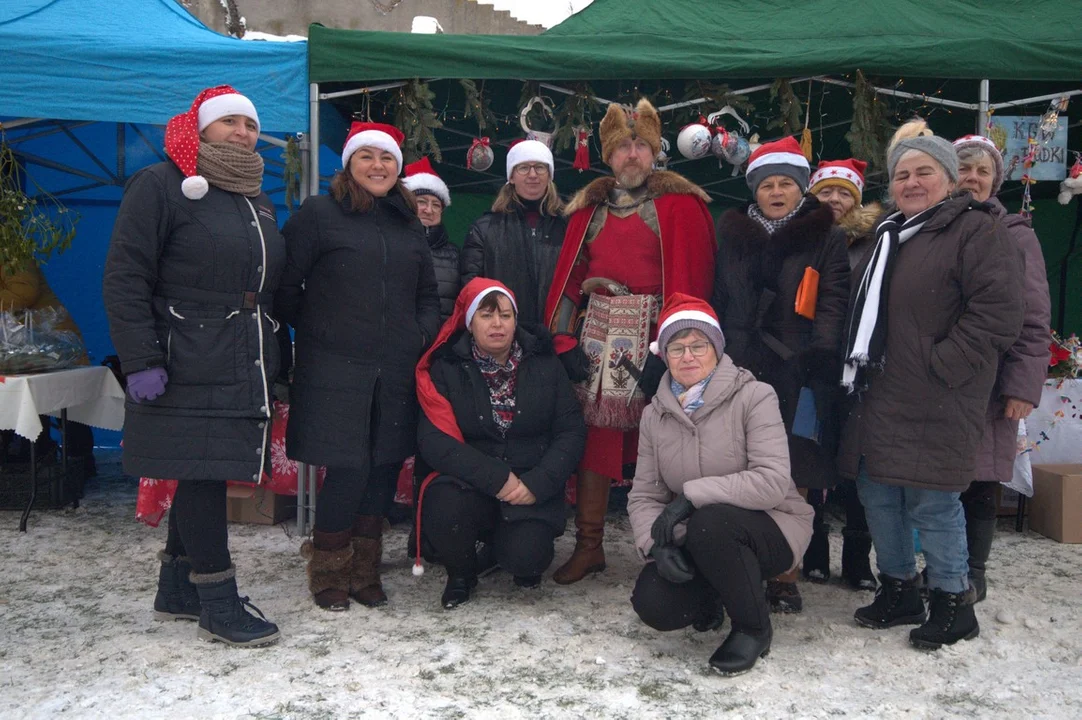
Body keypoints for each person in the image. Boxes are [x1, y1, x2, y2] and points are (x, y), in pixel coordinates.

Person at [103, 85, 282, 647]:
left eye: (250, 126)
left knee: (201, 466)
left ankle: (176, 588)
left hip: (239, 356)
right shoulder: (161, 185)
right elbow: (126, 276)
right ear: (200, 128)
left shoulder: (255, 197)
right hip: (184, 357)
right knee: (203, 473)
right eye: (229, 123)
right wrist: (140, 359)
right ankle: (218, 602)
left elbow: (263, 288)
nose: (243, 134)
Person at [837, 120, 1024, 650]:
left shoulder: (976, 229)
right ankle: (898, 590)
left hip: (939, 393)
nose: (911, 183)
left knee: (933, 503)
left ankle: (951, 601)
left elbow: (998, 313)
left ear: (948, 178)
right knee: (879, 495)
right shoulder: (890, 233)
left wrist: (943, 364)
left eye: (924, 172)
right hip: (880, 392)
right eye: (902, 175)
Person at [545, 98, 716, 585]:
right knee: (595, 444)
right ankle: (590, 545)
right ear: (609, 155)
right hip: (597, 336)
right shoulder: (590, 210)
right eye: (623, 147)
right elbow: (570, 280)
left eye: (641, 145)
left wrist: (676, 350)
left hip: (659, 338)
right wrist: (562, 341)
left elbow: (694, 279)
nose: (633, 155)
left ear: (656, 151)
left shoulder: (681, 207)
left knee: (665, 446)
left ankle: (665, 550)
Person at [276, 121, 440, 611]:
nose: (378, 166)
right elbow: (285, 288)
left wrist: (420, 335)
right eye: (367, 157)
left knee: (384, 470)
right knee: (347, 471)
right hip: (334, 371)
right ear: (349, 163)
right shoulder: (318, 215)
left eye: (387, 158)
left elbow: (427, 295)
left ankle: (365, 572)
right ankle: (329, 572)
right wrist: (322, 326)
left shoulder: (409, 224)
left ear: (398, 168)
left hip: (395, 369)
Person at [628, 294, 813, 676]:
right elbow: (645, 494)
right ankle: (711, 595)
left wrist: (690, 497)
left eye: (699, 345)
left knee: (711, 521)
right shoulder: (654, 415)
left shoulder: (754, 397)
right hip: (699, 534)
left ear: (717, 348)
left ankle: (753, 628)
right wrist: (653, 545)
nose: (688, 356)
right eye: (676, 348)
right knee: (655, 603)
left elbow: (772, 482)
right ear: (663, 356)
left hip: (770, 526)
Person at [710, 137, 850, 612]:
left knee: (794, 468)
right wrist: (714, 353)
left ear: (800, 188)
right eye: (766, 184)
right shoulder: (732, 232)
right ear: (754, 189)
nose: (775, 191)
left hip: (796, 361)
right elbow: (718, 296)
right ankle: (739, 559)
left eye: (785, 184)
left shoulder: (824, 235)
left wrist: (820, 355)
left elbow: (832, 299)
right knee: (735, 461)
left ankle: (785, 573)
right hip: (738, 358)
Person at [413, 279, 586, 607]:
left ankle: (500, 548)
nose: (497, 324)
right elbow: (433, 440)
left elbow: (571, 432)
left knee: (527, 560)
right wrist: (496, 478)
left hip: (528, 482)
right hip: (471, 481)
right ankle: (461, 573)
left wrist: (537, 482)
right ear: (469, 322)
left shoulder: (545, 364)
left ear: (515, 320)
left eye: (505, 316)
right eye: (487, 315)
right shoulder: (447, 368)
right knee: (445, 506)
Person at [954, 133, 1051, 602]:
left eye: (982, 171)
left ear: (994, 181)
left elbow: (1033, 318)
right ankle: (940, 568)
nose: (972, 178)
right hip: (935, 383)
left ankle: (973, 574)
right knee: (936, 484)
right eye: (963, 169)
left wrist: (1022, 386)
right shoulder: (926, 227)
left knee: (979, 479)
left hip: (991, 385)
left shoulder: (1015, 235)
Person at [806, 158, 881, 590]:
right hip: (813, 368)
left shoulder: (876, 243)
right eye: (825, 192)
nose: (834, 199)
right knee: (812, 458)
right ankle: (814, 551)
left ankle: (857, 559)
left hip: (859, 370)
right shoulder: (805, 238)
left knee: (857, 467)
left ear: (856, 198)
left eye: (844, 192)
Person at [460, 140, 566, 325]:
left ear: (549, 175)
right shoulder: (484, 228)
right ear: (512, 176)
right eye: (523, 168)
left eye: (540, 167)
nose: (532, 174)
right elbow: (471, 286)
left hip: (557, 336)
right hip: (504, 337)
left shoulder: (569, 227)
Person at [403, 157, 459, 322]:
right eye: (421, 202)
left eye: (436, 205)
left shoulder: (455, 254)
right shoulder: (393, 243)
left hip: (443, 340)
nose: (429, 210)